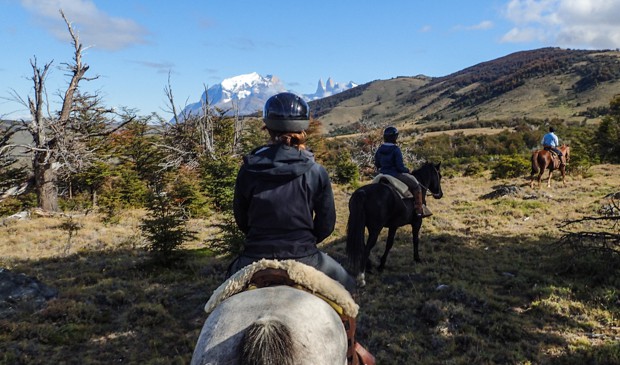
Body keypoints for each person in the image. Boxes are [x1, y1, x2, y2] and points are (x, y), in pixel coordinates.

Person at [229, 92, 356, 293]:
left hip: (254, 255)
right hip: (304, 255)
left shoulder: (248, 170)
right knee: (348, 285)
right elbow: (326, 224)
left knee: (221, 296)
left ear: (267, 127)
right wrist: (304, 243)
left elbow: (241, 220)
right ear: (303, 128)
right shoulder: (316, 171)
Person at [374, 126, 430, 217]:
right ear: (395, 137)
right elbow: (400, 167)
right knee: (416, 186)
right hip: (395, 174)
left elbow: (377, 163)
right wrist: (407, 170)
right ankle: (419, 210)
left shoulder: (379, 149)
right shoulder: (396, 149)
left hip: (382, 174)